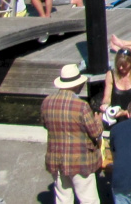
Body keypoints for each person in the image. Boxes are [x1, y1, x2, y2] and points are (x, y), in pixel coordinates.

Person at [41, 63, 103, 204]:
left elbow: (45, 124)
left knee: (63, 199)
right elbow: (94, 132)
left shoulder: (46, 102)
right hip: (79, 161)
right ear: (76, 85)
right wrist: (98, 121)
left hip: (56, 159)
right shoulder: (81, 106)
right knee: (89, 199)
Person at [102, 49, 131, 119]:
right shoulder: (111, 75)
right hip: (114, 115)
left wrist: (124, 112)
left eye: (124, 65)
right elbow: (107, 97)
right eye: (119, 65)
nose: (121, 68)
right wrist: (105, 105)